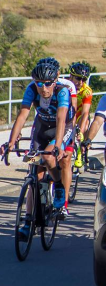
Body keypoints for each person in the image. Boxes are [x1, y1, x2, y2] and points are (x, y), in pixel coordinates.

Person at [4, 61, 76, 226]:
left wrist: (58, 146)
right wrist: (11, 141)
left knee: (49, 158)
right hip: (42, 127)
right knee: (35, 173)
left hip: (62, 127)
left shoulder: (62, 91)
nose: (44, 88)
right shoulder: (31, 89)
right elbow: (22, 115)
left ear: (54, 82)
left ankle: (58, 186)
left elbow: (61, 118)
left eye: (48, 84)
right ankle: (29, 221)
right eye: (39, 84)